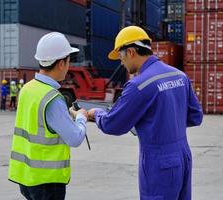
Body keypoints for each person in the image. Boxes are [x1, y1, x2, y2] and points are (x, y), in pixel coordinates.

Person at [87, 26, 203, 200]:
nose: (121, 62)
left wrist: (95, 114)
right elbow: (196, 116)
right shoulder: (179, 76)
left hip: (159, 163)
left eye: (121, 56)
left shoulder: (139, 85)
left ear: (131, 52)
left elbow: (113, 124)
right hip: (183, 157)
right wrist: (165, 121)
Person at [8, 32, 88, 200]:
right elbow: (75, 138)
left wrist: (66, 115)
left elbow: (40, 122)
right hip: (47, 182)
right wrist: (81, 117)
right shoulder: (52, 99)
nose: (68, 66)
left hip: (27, 177)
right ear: (61, 63)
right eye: (68, 61)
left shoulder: (28, 89)